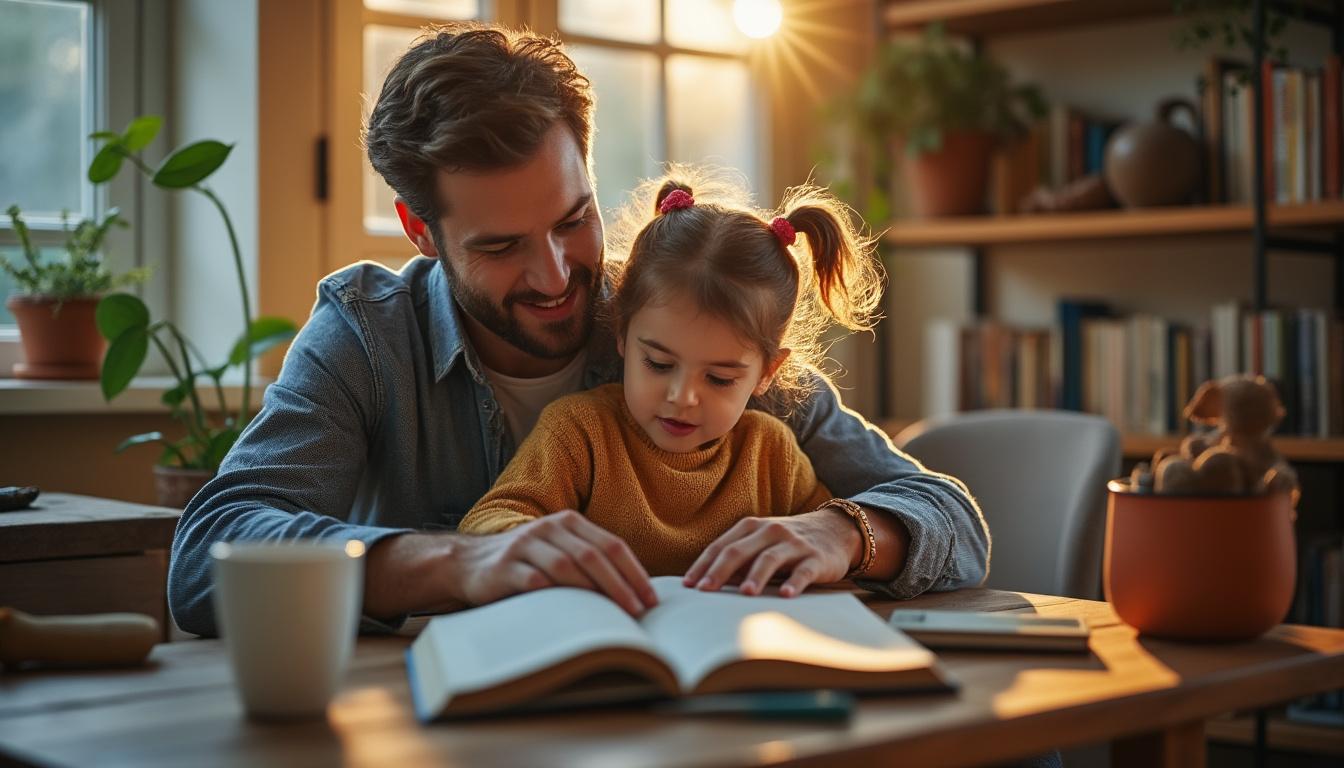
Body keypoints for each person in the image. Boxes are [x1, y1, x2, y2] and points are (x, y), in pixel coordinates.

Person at [166, 22, 990, 637]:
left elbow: (948, 518)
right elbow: (208, 554)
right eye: (500, 246)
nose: (558, 276)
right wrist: (458, 559)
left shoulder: (685, 316)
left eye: (574, 220)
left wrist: (840, 531)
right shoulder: (366, 336)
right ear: (419, 229)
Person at [461, 171, 886, 598]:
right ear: (622, 335)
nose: (681, 397)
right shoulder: (579, 432)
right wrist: (539, 546)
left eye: (720, 378)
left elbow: (826, 555)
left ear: (767, 373)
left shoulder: (774, 457)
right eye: (659, 364)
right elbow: (490, 521)